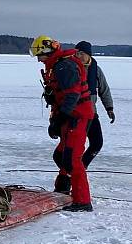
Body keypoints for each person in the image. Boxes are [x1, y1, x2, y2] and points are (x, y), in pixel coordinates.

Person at [30, 35, 95, 212]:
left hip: (78, 116)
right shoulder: (56, 65)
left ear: (47, 51)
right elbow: (60, 97)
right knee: (60, 156)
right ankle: (63, 187)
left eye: (39, 55)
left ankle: (82, 201)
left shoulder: (64, 66)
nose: (38, 59)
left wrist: (60, 118)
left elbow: (73, 95)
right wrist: (56, 120)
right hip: (69, 115)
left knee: (72, 158)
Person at [74, 41, 115, 167]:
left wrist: (109, 108)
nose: (79, 56)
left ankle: (81, 167)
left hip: (91, 113)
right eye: (77, 53)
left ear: (88, 55)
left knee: (97, 143)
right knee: (73, 147)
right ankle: (69, 174)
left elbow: (104, 90)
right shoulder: (71, 68)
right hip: (74, 114)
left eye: (81, 53)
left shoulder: (95, 70)